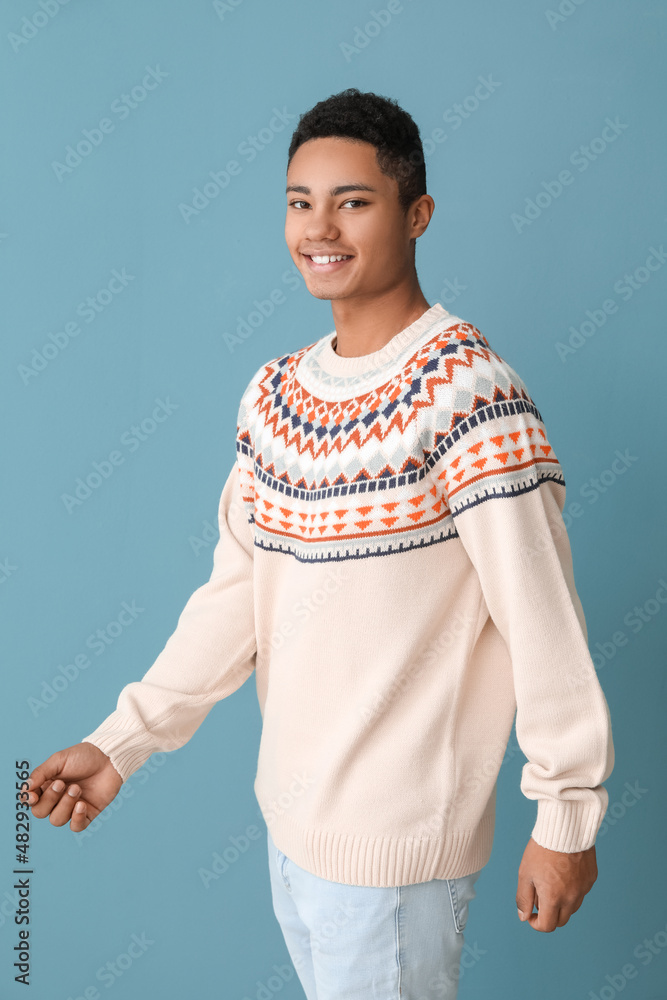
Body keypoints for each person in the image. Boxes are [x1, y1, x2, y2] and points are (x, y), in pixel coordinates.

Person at [26, 88, 614, 998]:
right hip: (294, 830)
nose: (319, 227)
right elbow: (234, 601)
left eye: (354, 200)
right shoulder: (273, 397)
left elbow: (543, 621)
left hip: (398, 848)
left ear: (416, 214)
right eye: (300, 201)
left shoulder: (470, 398)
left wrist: (565, 816)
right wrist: (123, 741)